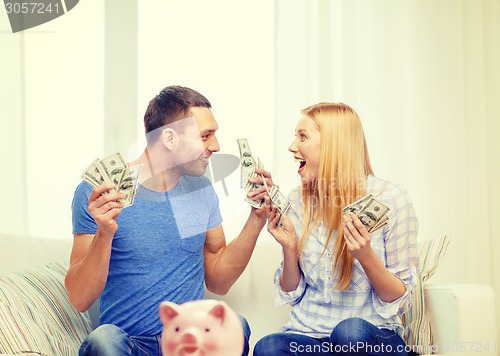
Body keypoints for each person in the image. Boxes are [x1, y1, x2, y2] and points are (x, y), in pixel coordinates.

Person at [66, 85, 271, 355]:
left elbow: (218, 282)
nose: (216, 146)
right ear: (170, 138)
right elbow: (79, 298)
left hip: (187, 344)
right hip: (131, 345)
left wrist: (256, 219)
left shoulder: (200, 189)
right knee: (103, 340)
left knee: (235, 325)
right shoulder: (101, 194)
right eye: (206, 136)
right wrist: (105, 233)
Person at [254, 102, 419, 355]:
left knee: (350, 333)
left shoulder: (390, 198)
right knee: (269, 347)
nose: (292, 147)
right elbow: (292, 293)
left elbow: (397, 299)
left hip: (371, 336)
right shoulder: (298, 200)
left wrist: (365, 256)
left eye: (302, 136)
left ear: (333, 144)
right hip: (309, 336)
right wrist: (289, 248)